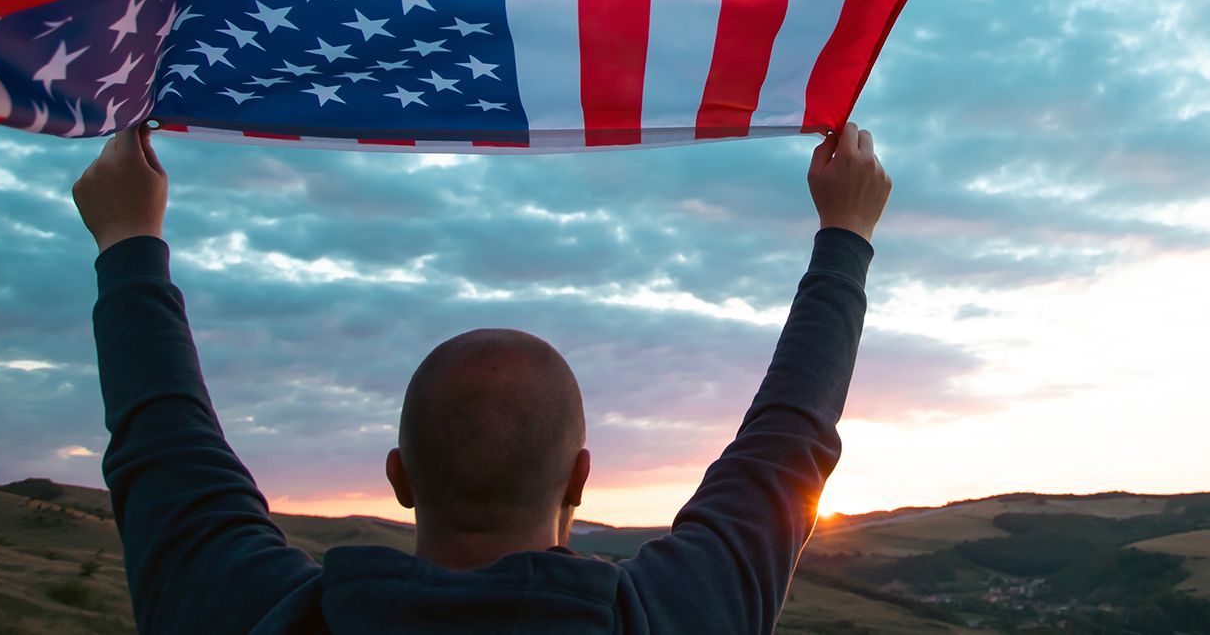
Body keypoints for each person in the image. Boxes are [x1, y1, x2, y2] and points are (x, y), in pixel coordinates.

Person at [73, 120, 892, 634]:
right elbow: (787, 447)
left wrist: (129, 240)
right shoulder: (674, 617)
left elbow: (165, 447)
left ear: (399, 478)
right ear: (581, 479)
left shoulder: (259, 614)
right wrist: (843, 232)